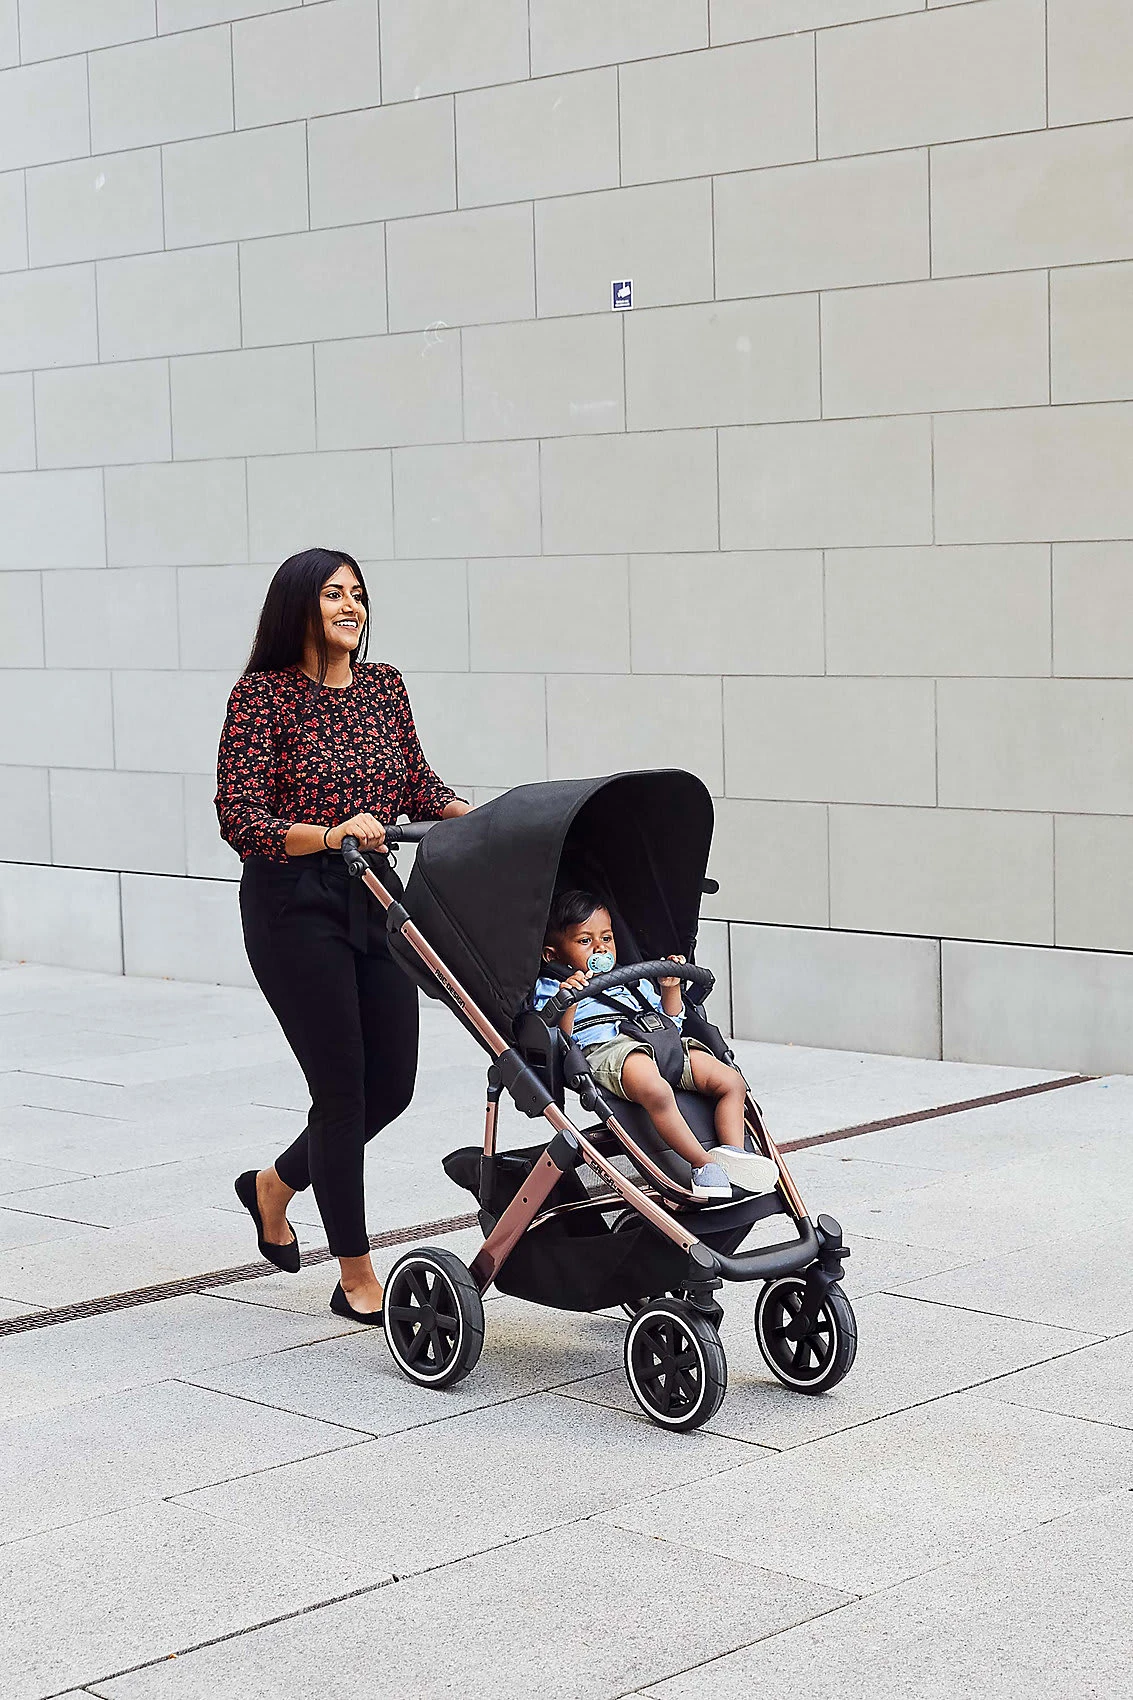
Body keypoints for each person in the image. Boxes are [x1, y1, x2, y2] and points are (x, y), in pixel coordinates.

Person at [216, 548, 470, 1323]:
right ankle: (354, 1273)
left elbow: (414, 781)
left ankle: (273, 1186)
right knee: (340, 1092)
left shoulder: (384, 685)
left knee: (390, 1086)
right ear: (299, 606)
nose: (350, 606)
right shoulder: (262, 697)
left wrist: (479, 817)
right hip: (293, 904)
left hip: (373, 893)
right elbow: (241, 819)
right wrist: (327, 835)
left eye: (356, 593)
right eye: (333, 594)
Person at [534, 890, 779, 1202]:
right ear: (552, 954)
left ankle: (733, 1154)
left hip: (662, 1041)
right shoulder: (552, 986)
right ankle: (703, 1165)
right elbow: (559, 1040)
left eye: (607, 938)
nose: (600, 948)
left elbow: (672, 1021)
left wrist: (670, 988)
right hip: (612, 1048)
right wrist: (567, 999)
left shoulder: (630, 979)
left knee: (731, 1082)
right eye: (585, 941)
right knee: (657, 1090)